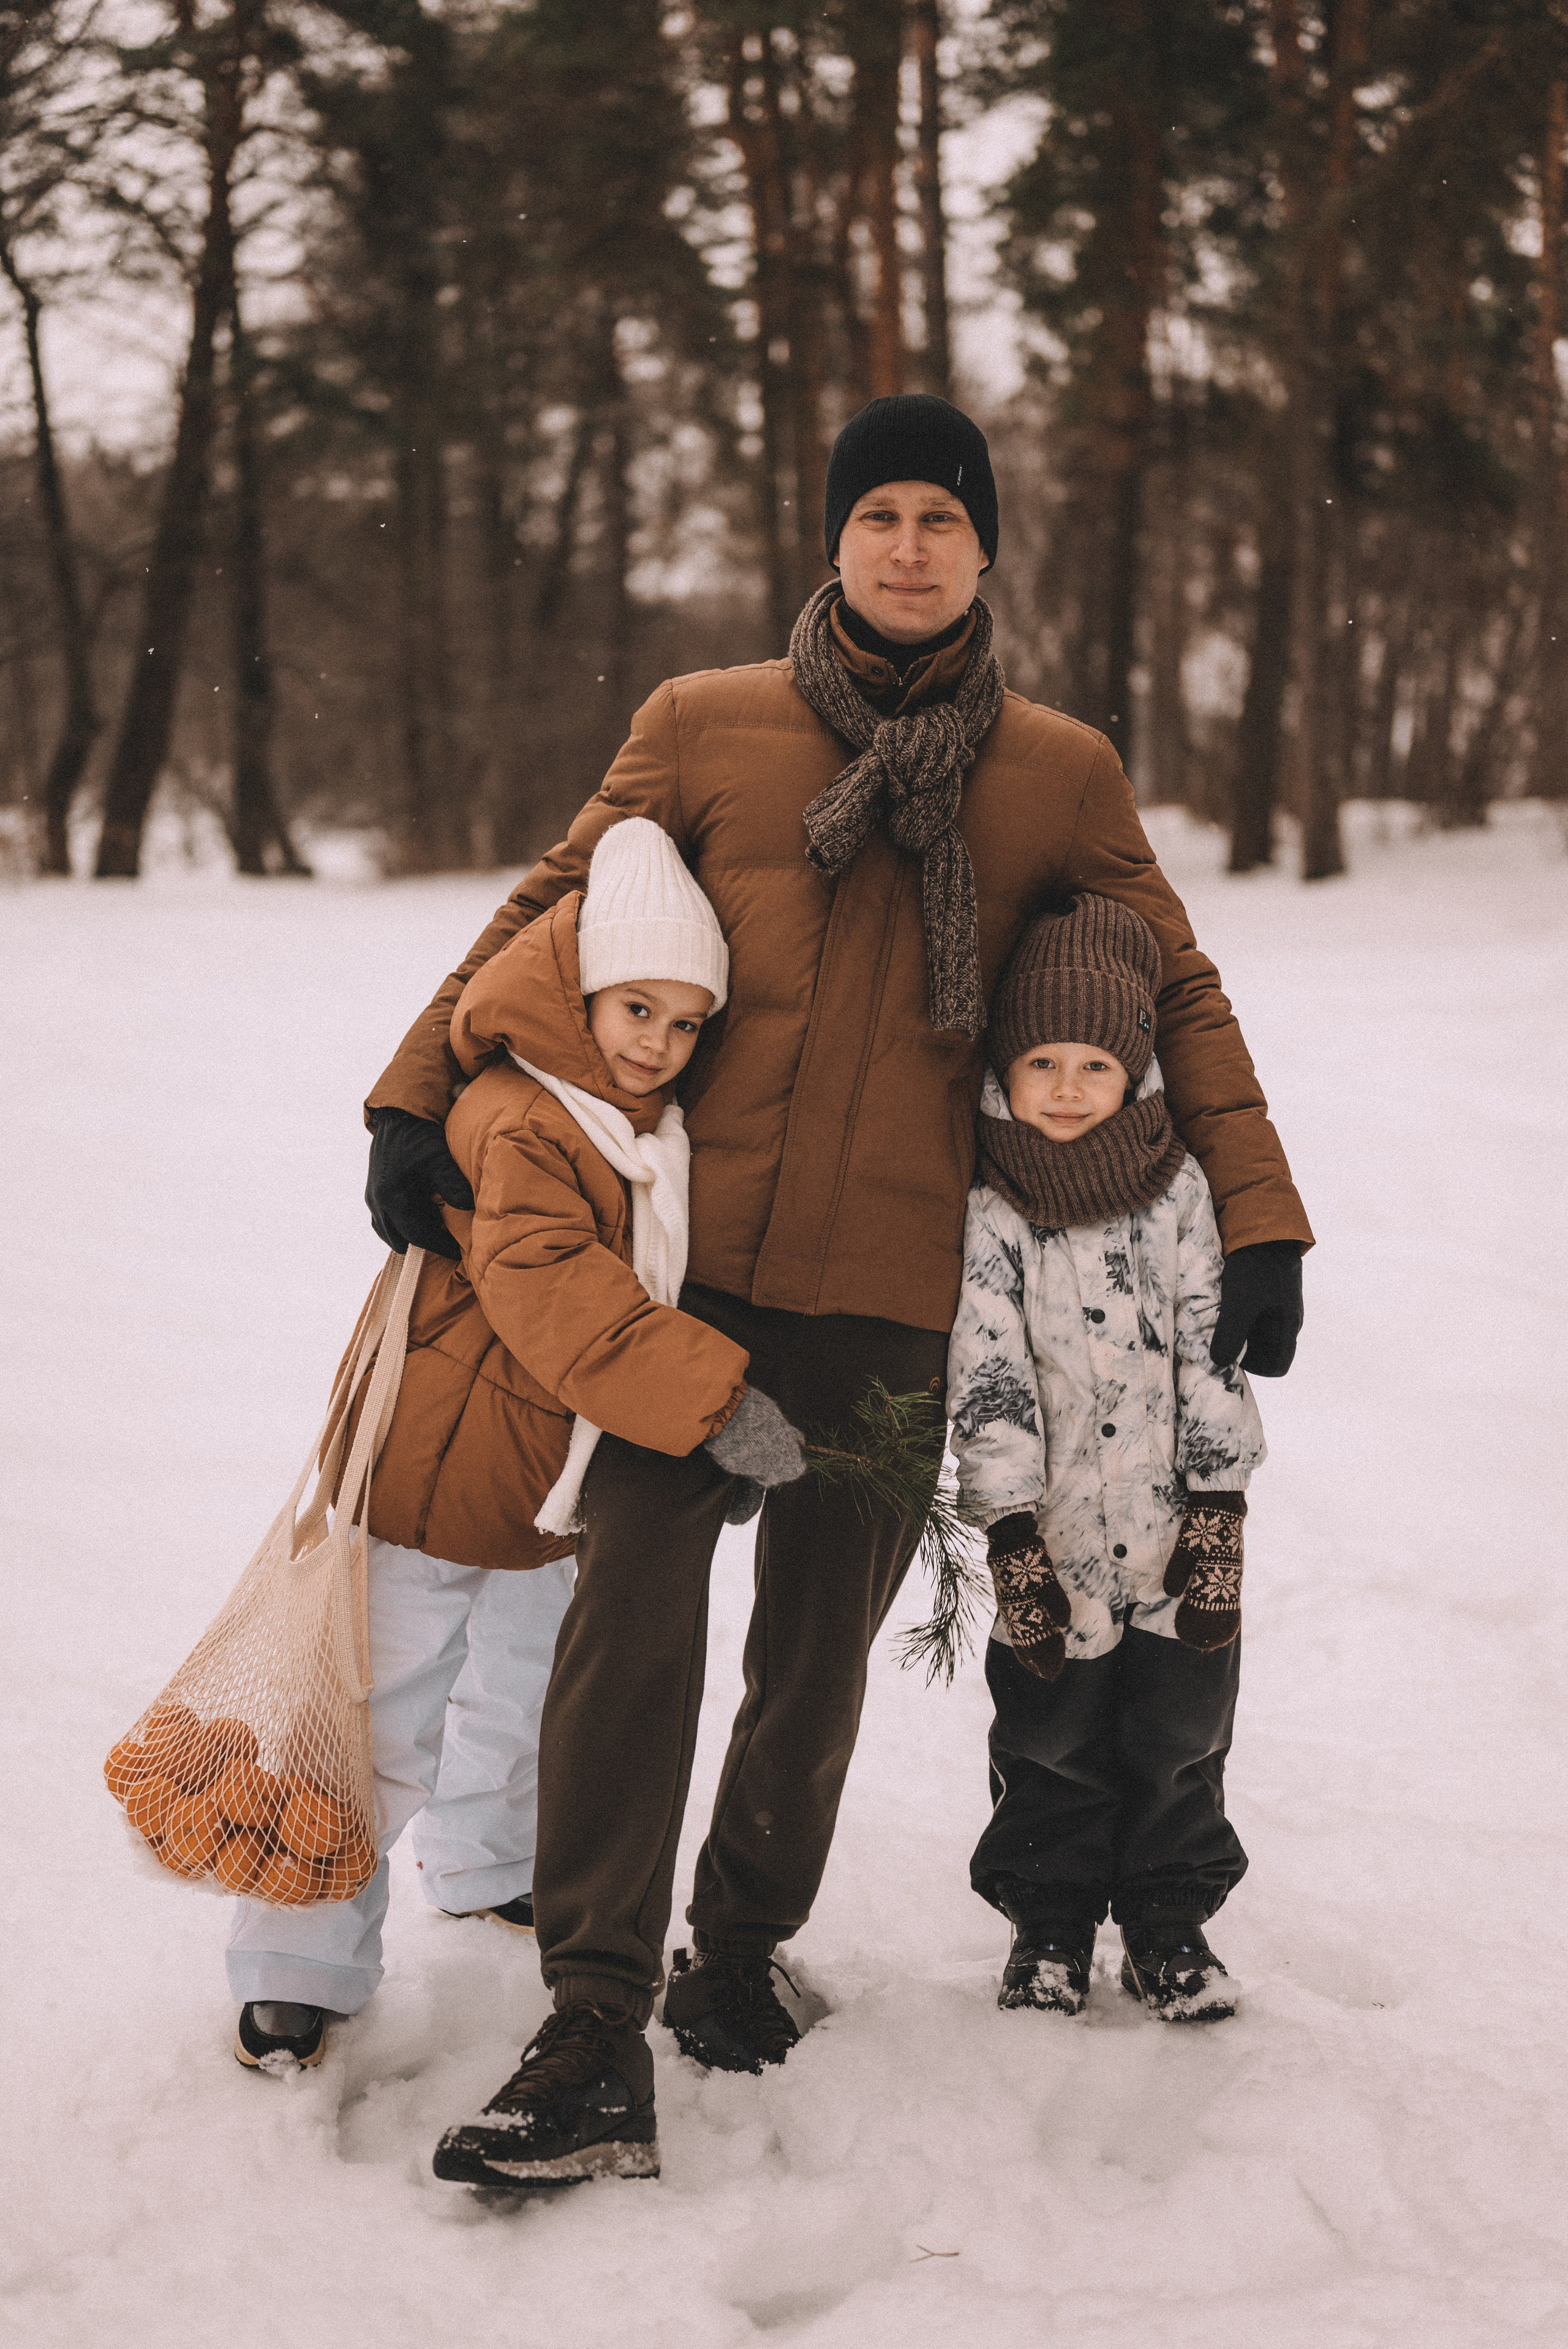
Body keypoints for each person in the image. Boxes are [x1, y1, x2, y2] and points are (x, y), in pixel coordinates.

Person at [363, 393, 1311, 2191]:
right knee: (628, 1627)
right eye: (877, 512)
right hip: (687, 1285)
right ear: (832, 534)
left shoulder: (1058, 768)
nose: (907, 545)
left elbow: (1174, 988)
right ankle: (588, 2019)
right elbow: (559, 903)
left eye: (941, 519)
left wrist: (1257, 1213)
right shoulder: (705, 727)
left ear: (986, 547)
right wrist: (417, 1086)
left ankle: (734, 1959)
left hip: (894, 1299)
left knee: (811, 1664)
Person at [233, 820, 801, 2087]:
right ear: (577, 986)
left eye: (684, 1020)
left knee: (531, 1687)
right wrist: (720, 1406)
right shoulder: (522, 1112)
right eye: (634, 1005)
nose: (656, 1039)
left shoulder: (630, 1113)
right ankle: (295, 1965)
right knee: (377, 1718)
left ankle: (492, 1865)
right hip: (439, 1468)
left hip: (552, 1472)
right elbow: (556, 1291)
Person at [946, 893, 1265, 2028]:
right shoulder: (993, 1210)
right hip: (1058, 1541)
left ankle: (1171, 1927)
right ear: (1006, 1072)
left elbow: (1208, 1352)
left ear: (1134, 1072)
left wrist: (1221, 1511)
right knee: (1050, 1737)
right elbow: (987, 1380)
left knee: (1181, 1735)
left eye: (1095, 1061)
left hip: (1180, 1531)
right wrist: (1011, 1535)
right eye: (1044, 1060)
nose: (1071, 1085)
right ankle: (1050, 1923)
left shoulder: (1178, 1192)